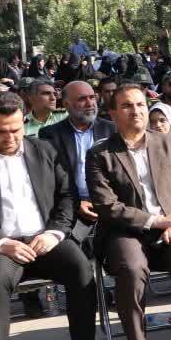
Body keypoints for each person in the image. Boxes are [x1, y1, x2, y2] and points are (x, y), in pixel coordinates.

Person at [0, 92, 111, 340]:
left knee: (80, 269)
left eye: (16, 129)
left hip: (45, 239)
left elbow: (67, 197)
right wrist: (1, 242)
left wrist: (55, 233)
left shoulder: (45, 150)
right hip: (0, 247)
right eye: (1, 131)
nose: (10, 138)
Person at [87, 84, 171, 340]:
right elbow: (107, 206)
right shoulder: (100, 154)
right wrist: (157, 221)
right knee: (131, 269)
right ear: (113, 113)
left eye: (141, 104)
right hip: (125, 231)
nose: (136, 111)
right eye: (127, 106)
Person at [38, 80, 115, 246]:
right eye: (82, 99)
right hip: (71, 206)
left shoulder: (112, 130)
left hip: (110, 204)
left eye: (92, 97)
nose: (90, 103)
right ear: (66, 104)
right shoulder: (50, 134)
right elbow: (52, 178)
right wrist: (77, 203)